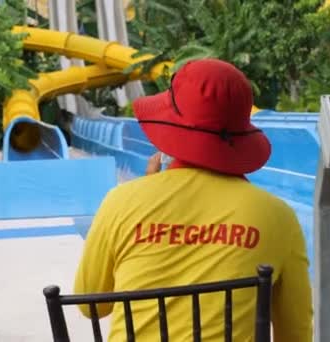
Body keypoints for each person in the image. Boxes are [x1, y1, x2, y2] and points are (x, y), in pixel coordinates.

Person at [74, 58, 313, 341]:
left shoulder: (122, 202)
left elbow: (91, 306)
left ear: (169, 130)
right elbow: (295, 333)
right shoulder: (278, 217)